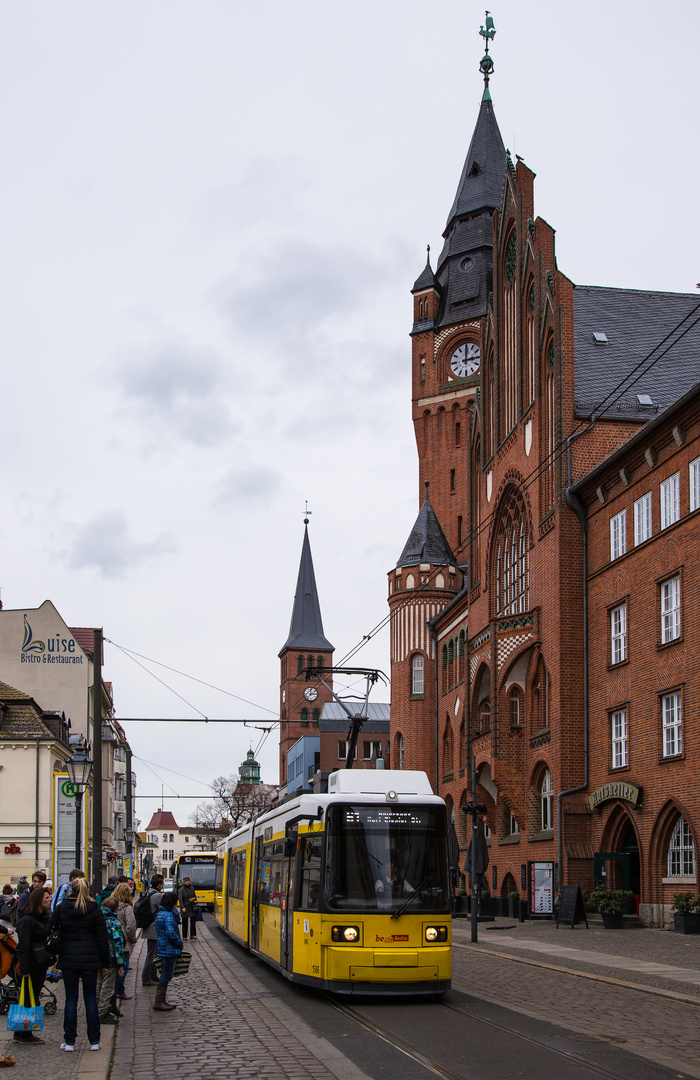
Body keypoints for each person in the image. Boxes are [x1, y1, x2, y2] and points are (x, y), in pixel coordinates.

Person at [49, 876, 109, 1052]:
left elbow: (49, 929)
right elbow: (102, 938)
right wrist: (105, 962)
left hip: (68, 959)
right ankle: (95, 1041)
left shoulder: (61, 908)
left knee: (71, 999)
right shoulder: (94, 909)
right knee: (90, 999)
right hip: (90, 960)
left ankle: (69, 1041)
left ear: (71, 890)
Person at [14, 886, 53, 1045]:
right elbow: (22, 947)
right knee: (29, 998)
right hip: (31, 965)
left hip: (40, 964)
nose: (49, 899)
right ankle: (24, 1033)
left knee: (33, 996)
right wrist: (25, 969)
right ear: (38, 901)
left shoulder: (43, 918)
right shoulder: (28, 920)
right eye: (46, 898)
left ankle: (22, 1032)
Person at [96, 896, 125, 1024]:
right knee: (107, 987)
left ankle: (96, 1009)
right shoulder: (114, 922)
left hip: (97, 957)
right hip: (111, 958)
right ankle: (102, 1012)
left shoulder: (97, 920)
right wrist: (120, 964)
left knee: (98, 985)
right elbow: (118, 944)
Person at [153, 892, 182, 1012]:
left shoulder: (161, 913)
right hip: (169, 949)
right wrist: (179, 943)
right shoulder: (169, 915)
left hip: (163, 947)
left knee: (165, 974)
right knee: (166, 975)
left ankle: (161, 1000)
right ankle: (158, 1001)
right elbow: (171, 933)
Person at [113, 882, 137, 1000]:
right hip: (123, 941)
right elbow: (131, 926)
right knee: (124, 967)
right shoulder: (127, 908)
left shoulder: (111, 905)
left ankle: (115, 990)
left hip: (112, 939)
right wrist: (132, 939)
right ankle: (119, 990)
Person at [140, 874, 164, 986]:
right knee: (152, 954)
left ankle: (153, 975)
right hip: (154, 927)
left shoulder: (149, 892)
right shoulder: (158, 895)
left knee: (154, 952)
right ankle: (146, 977)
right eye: (162, 883)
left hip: (149, 926)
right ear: (159, 885)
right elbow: (162, 909)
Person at [177, 876, 198, 941]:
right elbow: (180, 899)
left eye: (188, 881)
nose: (188, 882)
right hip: (185, 907)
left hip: (191, 907)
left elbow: (195, 896)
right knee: (185, 922)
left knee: (193, 921)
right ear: (184, 882)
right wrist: (182, 907)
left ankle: (193, 935)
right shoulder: (182, 890)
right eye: (186, 881)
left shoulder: (192, 888)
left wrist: (194, 899)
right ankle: (184, 936)